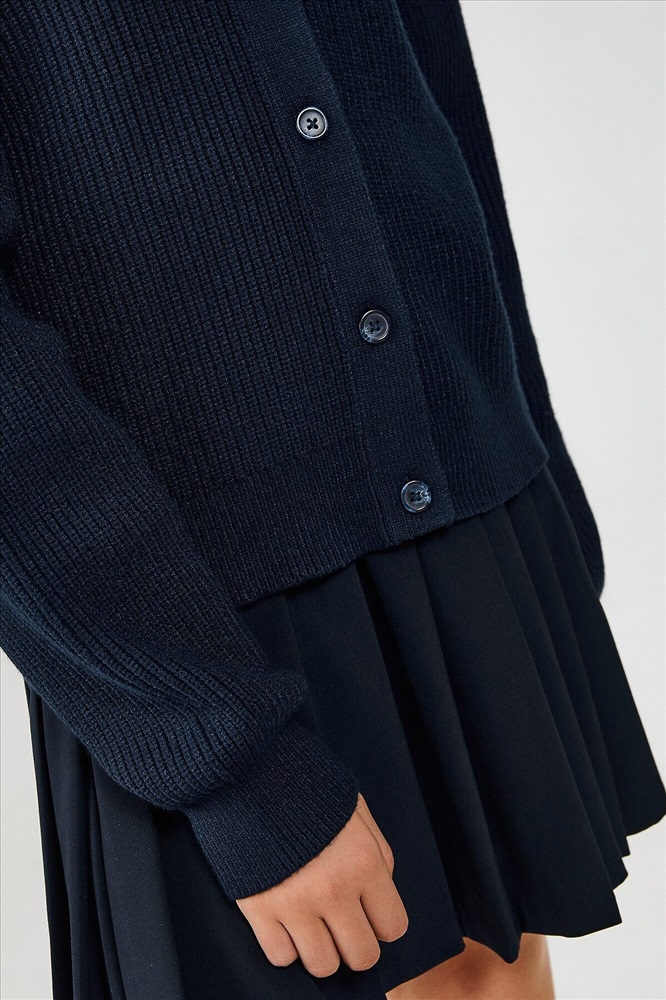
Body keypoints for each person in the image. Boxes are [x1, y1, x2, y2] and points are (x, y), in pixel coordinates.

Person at [2, 2, 665, 998]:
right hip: (192, 604)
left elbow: (427, 86)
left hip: (460, 502)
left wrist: (529, 458)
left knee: (497, 973)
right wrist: (217, 743)